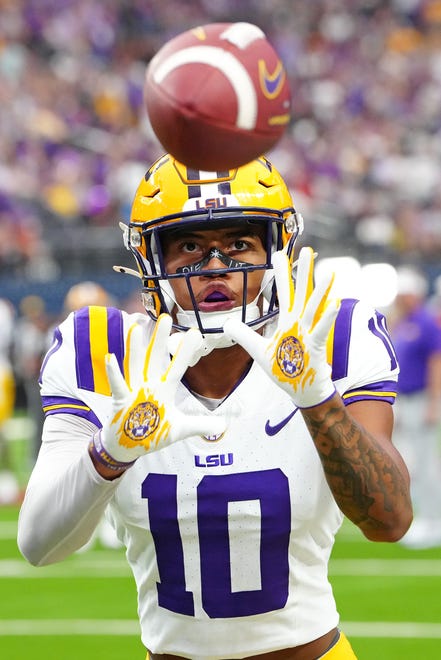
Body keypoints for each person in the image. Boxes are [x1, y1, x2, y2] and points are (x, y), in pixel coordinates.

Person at [18, 155, 412, 660]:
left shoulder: (331, 336)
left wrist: (318, 400)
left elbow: (390, 520)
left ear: (276, 253)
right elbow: (39, 544)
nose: (216, 268)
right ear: (150, 259)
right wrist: (110, 451)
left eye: (239, 245)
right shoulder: (101, 349)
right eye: (188, 246)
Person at [389, 266, 441, 549]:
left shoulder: (426, 323)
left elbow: (436, 363)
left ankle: (435, 521)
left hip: (421, 399)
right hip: (404, 400)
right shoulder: (404, 322)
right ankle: (426, 516)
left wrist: (434, 404)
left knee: (426, 462)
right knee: (412, 463)